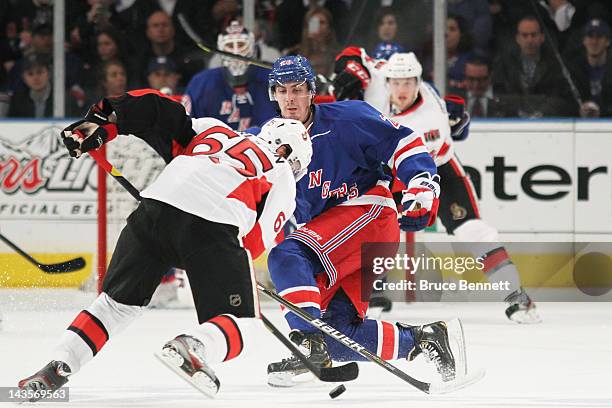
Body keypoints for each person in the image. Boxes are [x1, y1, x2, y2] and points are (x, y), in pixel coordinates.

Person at [17, 90, 313, 400]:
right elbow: (252, 244)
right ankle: (192, 346)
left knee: (115, 306)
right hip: (211, 228)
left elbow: (159, 112)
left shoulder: (215, 128)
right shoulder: (283, 178)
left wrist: (106, 122)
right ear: (291, 157)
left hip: (153, 210)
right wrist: (204, 262)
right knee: (243, 326)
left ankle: (57, 366)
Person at [260, 55, 468, 387]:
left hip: (368, 215)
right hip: (336, 243)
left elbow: (404, 141)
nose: (290, 98)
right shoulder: (267, 142)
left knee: (286, 256)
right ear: (273, 94)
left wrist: (421, 186)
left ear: (312, 91)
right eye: (282, 90)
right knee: (341, 336)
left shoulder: (348, 118)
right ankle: (426, 339)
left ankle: (307, 344)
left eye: (298, 89)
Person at [333, 47, 541, 324]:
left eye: (408, 83)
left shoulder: (428, 121)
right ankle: (372, 291)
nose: (402, 89)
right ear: (387, 81)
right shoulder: (381, 76)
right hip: (392, 164)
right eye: (396, 83)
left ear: (418, 82)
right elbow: (354, 53)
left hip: (433, 168)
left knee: (472, 230)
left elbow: (418, 171)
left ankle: (515, 294)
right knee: (372, 225)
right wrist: (350, 72)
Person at [182, 21, 277, 131]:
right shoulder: (200, 83)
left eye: (241, 45)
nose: (236, 52)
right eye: (230, 46)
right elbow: (186, 126)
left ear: (253, 49)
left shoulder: (272, 78)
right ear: (221, 49)